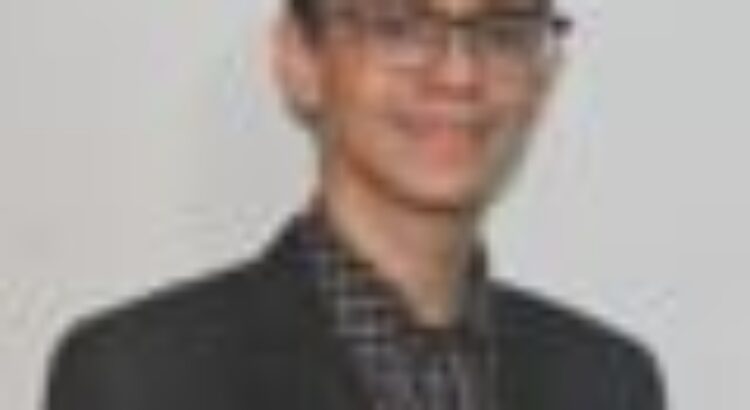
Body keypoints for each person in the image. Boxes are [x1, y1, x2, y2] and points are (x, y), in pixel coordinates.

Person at [45, 0, 667, 409]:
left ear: (542, 76)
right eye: (399, 26)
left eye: (503, 32)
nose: (459, 75)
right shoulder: (140, 381)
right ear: (300, 60)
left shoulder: (609, 385)